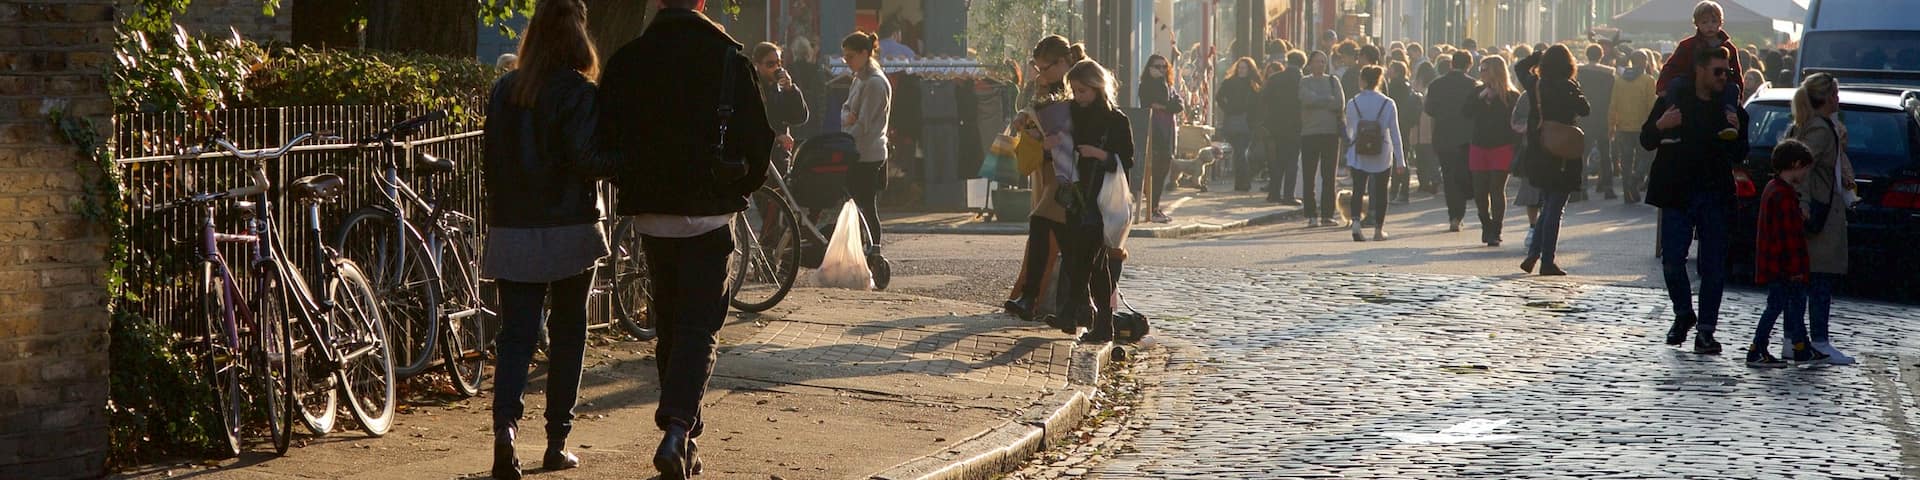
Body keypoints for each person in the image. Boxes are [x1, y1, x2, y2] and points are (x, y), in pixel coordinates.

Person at [597, 0, 775, 477]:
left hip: (652, 215)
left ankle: (684, 439)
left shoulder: (628, 59)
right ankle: (677, 429)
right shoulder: (728, 59)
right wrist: (736, 187)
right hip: (709, 214)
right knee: (699, 328)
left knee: (671, 326)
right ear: (701, 3)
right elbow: (760, 140)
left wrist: (634, 183)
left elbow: (605, 136)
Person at [481, 2, 617, 478]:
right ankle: (556, 441)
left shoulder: (504, 90)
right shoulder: (579, 92)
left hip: (513, 228)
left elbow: (491, 161)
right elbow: (587, 158)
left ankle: (505, 431)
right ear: (579, 37)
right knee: (568, 335)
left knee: (515, 336)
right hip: (570, 229)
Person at [1641, 45, 1748, 356]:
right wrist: (1662, 126)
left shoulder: (1731, 109)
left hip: (1714, 193)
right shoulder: (1673, 102)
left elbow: (1741, 155)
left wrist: (1738, 130)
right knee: (1673, 261)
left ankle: (1706, 332)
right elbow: (1646, 139)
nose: (1723, 78)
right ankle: (1683, 313)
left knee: (1712, 266)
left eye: (1727, 72)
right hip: (1676, 192)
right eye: (1717, 72)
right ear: (1699, 70)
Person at [1052, 59, 1135, 344]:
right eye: (1074, 91)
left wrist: (1099, 154)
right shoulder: (1070, 115)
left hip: (1102, 198)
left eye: (1083, 91)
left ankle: (1078, 312)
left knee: (1086, 260)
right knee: (1088, 262)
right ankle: (1094, 320)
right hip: (1077, 195)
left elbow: (1127, 161)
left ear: (1098, 88)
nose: (1078, 97)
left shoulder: (1115, 120)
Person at [1004, 36, 1086, 322]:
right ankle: (1072, 303)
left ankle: (1033, 297)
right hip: (1055, 170)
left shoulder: (1082, 80)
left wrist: (1059, 138)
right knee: (1063, 238)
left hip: (1077, 174)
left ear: (1063, 62)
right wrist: (1036, 131)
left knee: (1044, 223)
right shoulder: (1051, 87)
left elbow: (1091, 123)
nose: (1041, 74)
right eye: (1037, 68)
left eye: (1045, 68)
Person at [1787, 73, 1856, 365]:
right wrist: (1802, 203)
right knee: (1817, 279)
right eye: (1835, 93)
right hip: (1820, 211)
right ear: (1827, 97)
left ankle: (1799, 339)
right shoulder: (1819, 128)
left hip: (1823, 208)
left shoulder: (1823, 125)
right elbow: (1802, 167)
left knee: (1812, 279)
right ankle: (1815, 340)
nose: (1838, 99)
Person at [1746, 140, 1827, 368]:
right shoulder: (1783, 195)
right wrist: (1795, 269)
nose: (1805, 175)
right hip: (1783, 265)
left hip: (1777, 263)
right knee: (1778, 306)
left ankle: (1801, 346)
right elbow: (1788, 236)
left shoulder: (1774, 189)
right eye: (1804, 169)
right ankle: (1757, 348)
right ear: (1795, 164)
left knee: (1794, 303)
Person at [1518, 45, 1590, 278]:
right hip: (1563, 151)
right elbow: (1585, 109)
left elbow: (1519, 67)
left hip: (1541, 148)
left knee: (1548, 203)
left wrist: (1538, 57)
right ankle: (1546, 260)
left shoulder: (1536, 85)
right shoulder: (1568, 86)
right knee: (1554, 207)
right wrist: (1575, 89)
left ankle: (1534, 253)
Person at [1656, 0, 1746, 141]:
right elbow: (1670, 67)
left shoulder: (1729, 48)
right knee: (1675, 84)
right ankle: (1672, 127)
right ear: (1697, 24)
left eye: (1713, 21)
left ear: (1720, 23)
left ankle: (1728, 123)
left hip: (1720, 82)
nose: (1709, 26)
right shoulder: (1687, 45)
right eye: (1704, 22)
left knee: (1732, 88)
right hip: (1692, 80)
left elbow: (1737, 73)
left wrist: (1739, 96)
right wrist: (1662, 86)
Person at [1342, 65, 1407, 241]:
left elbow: (1349, 131)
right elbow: (1395, 133)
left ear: (1362, 80)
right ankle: (1378, 230)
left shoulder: (1353, 103)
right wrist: (1400, 160)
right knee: (1380, 191)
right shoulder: (1388, 103)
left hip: (1359, 152)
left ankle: (1356, 224)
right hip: (1382, 152)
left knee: (1358, 189)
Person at [841, 31, 894, 247]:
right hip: (857, 151)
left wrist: (847, 131)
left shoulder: (874, 83)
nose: (847, 61)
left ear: (865, 54)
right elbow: (845, 110)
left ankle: (874, 250)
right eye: (845, 57)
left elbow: (863, 124)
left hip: (868, 153)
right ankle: (864, 249)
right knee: (857, 203)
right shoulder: (859, 79)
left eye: (850, 56)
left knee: (866, 205)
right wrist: (848, 119)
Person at [1462, 55, 1521, 247]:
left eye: (1484, 69)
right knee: (1479, 191)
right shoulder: (1476, 92)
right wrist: (1480, 98)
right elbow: (1465, 113)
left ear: (1495, 70)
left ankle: (1496, 229)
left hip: (1502, 146)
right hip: (1479, 145)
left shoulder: (1512, 96)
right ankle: (1485, 225)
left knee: (1496, 189)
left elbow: (1516, 123)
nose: (1481, 72)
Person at [1427, 50, 1479, 232]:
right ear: (1468, 65)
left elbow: (1430, 112)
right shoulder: (1473, 85)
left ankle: (1454, 216)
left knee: (1448, 177)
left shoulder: (1436, 85)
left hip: (1443, 136)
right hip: (1466, 138)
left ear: (1451, 63)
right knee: (1463, 174)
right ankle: (1460, 212)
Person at [1299, 51, 1346, 227]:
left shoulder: (1333, 81)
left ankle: (1327, 214)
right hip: (1309, 133)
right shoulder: (1304, 81)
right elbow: (1306, 99)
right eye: (1317, 62)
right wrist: (1327, 99)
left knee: (1329, 176)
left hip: (1330, 133)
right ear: (1310, 64)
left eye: (1323, 62)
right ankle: (1311, 215)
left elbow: (1339, 103)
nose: (1321, 65)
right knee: (1309, 175)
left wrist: (1319, 101)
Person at [1138, 54, 1185, 223]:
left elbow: (1179, 105)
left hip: (1168, 131)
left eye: (1164, 67)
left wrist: (1164, 106)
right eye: (1157, 66)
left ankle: (1155, 207)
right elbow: (1161, 100)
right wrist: (1166, 103)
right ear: (1150, 68)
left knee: (1163, 169)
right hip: (1154, 131)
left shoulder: (1168, 85)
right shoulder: (1147, 85)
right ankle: (1153, 209)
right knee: (1154, 171)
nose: (1162, 70)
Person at [1609, 50, 1658, 205]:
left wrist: (1611, 125)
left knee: (1626, 161)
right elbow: (1652, 105)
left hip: (1623, 126)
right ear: (1644, 62)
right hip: (1642, 126)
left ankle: (1627, 193)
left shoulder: (1619, 80)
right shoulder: (1648, 80)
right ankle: (1635, 180)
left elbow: (1613, 104)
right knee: (1647, 157)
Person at [753, 42, 809, 175]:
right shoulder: (752, 88)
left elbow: (800, 117)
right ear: (758, 65)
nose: (776, 68)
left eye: (779, 63)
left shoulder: (780, 88)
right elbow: (751, 122)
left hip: (780, 157)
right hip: (759, 154)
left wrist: (790, 90)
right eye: (770, 64)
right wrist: (777, 136)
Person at [1264, 50, 1306, 205]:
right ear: (1303, 64)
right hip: (1295, 126)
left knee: (1277, 161)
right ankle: (1288, 195)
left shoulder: (1275, 79)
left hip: (1276, 125)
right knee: (1291, 161)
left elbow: (1264, 99)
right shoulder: (1302, 81)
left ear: (1288, 61)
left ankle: (1273, 193)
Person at [1578, 44, 1617, 201]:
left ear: (1587, 55)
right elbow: (1612, 98)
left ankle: (1582, 187)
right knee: (1605, 154)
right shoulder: (1609, 74)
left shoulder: (1579, 72)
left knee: (1583, 154)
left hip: (1585, 118)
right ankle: (1608, 187)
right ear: (1601, 55)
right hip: (1603, 117)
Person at [1217, 57, 1263, 192]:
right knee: (1240, 151)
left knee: (1242, 152)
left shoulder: (1253, 84)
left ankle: (1242, 181)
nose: (1241, 70)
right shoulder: (1229, 82)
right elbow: (1219, 97)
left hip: (1248, 121)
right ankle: (1243, 181)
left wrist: (1255, 118)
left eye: (1244, 68)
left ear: (1250, 70)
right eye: (1240, 67)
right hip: (1234, 120)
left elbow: (1259, 103)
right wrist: (1228, 109)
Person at [1384, 60, 1420, 205]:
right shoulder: (1408, 86)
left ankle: (1396, 191)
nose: (1388, 71)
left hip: (1396, 124)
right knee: (1402, 156)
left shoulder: (1393, 86)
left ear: (1397, 72)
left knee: (1397, 159)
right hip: (1405, 125)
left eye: (1391, 69)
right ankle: (1401, 191)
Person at [1412, 61, 1441, 195]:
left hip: (1418, 120)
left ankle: (1423, 182)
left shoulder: (1417, 82)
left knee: (1420, 155)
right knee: (1431, 155)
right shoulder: (1436, 83)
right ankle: (1435, 179)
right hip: (1431, 120)